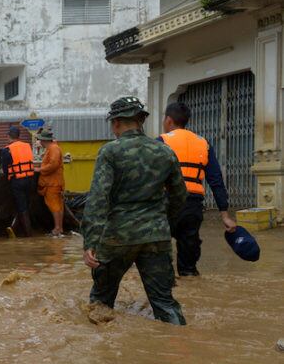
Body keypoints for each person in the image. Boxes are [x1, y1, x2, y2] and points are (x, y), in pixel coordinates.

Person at [81, 97, 188, 326]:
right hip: (156, 235)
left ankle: (101, 356)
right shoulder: (165, 152)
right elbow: (180, 195)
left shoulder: (110, 152)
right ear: (140, 121)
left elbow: (98, 199)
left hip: (117, 236)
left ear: (117, 123)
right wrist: (162, 222)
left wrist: (90, 241)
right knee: (165, 303)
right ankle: (180, 351)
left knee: (100, 302)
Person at [160, 102, 238, 276]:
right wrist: (225, 215)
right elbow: (216, 180)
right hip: (193, 206)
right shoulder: (203, 143)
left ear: (169, 120)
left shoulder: (162, 141)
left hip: (167, 203)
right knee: (189, 264)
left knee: (159, 256)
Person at [0, 125, 35, 237]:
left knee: (22, 206)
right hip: (30, 179)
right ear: (19, 136)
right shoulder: (27, 146)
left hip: (17, 181)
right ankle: (15, 227)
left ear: (8, 136)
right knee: (24, 205)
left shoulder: (6, 150)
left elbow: (5, 169)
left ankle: (28, 234)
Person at [34, 126, 65, 237]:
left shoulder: (53, 149)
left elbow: (53, 165)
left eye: (40, 140)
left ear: (43, 140)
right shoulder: (52, 148)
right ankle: (59, 228)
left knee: (54, 206)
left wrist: (39, 169)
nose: (39, 142)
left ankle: (57, 229)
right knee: (58, 206)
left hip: (53, 183)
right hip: (53, 182)